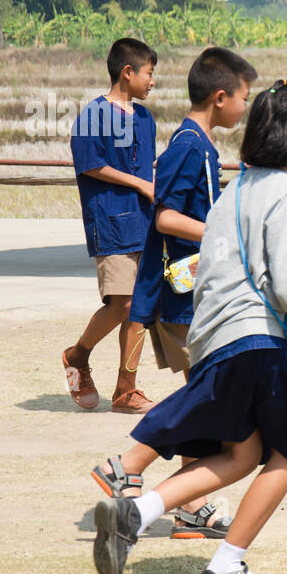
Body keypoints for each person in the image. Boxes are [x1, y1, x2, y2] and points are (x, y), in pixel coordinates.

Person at [91, 81, 287, 574]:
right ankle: (224, 567)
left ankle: (136, 512)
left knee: (242, 456)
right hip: (258, 344)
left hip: (217, 340)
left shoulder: (233, 190)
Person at [93, 46, 257, 539]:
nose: (245, 108)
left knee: (201, 394)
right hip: (183, 296)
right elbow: (164, 216)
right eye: (244, 98)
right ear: (221, 97)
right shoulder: (190, 145)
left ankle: (191, 507)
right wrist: (219, 235)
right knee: (205, 395)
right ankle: (127, 465)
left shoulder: (199, 143)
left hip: (193, 294)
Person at [62, 37, 158, 415]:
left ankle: (125, 389)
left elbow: (147, 165)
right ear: (128, 72)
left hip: (145, 221)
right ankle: (77, 355)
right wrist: (139, 184)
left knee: (140, 308)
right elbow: (89, 164)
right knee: (123, 304)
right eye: (149, 73)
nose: (152, 82)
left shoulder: (146, 118)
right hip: (111, 220)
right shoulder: (93, 115)